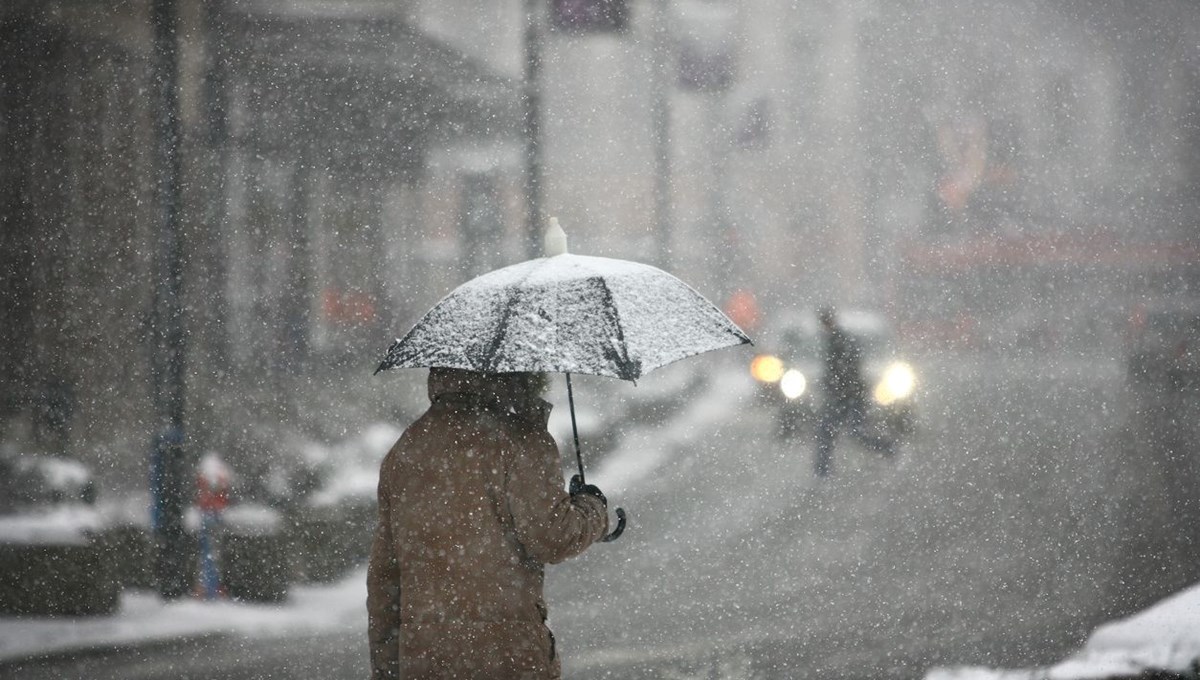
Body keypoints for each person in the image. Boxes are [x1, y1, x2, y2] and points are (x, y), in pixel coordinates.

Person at [367, 367, 609, 680]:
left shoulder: (405, 450)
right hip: (506, 657)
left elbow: (385, 579)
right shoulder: (521, 441)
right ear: (521, 371)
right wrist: (593, 509)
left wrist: (387, 669)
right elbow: (553, 537)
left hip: (425, 659)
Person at [813, 306, 894, 477]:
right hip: (845, 396)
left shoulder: (839, 341)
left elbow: (847, 371)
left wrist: (838, 386)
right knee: (832, 432)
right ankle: (822, 471)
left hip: (849, 397)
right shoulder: (835, 341)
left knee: (851, 433)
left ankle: (889, 448)